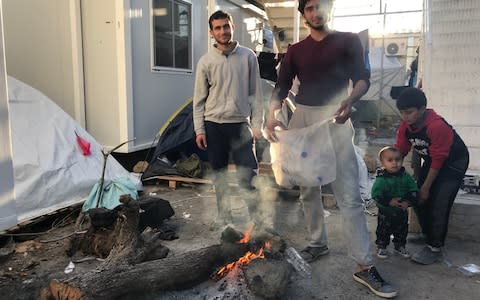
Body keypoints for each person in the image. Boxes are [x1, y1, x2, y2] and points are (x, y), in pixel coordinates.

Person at [263, 0, 398, 298]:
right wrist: (271, 116)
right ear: (303, 14)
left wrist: (350, 101)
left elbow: (363, 78)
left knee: (348, 195)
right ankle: (317, 243)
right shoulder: (296, 50)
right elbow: (281, 85)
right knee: (308, 188)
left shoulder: (348, 41)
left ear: (329, 8)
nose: (314, 12)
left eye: (319, 5)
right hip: (303, 120)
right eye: (308, 8)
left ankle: (363, 265)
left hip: (336, 117)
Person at [193, 10, 264, 229]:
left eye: (226, 26)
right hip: (214, 126)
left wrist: (257, 125)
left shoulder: (248, 57)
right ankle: (225, 218)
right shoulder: (205, 61)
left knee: (248, 176)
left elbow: (256, 95)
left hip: (241, 125)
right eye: (217, 28)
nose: (222, 31)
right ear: (211, 32)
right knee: (220, 176)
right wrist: (200, 130)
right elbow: (199, 99)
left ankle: (258, 220)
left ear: (232, 27)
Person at [394, 87, 469, 264]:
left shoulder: (437, 126)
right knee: (417, 197)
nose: (405, 117)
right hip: (432, 158)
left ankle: (435, 248)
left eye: (409, 112)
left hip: (453, 162)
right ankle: (428, 235)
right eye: (402, 112)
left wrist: (426, 187)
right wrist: (392, 173)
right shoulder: (406, 126)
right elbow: (401, 150)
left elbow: (439, 159)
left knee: (439, 203)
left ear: (421, 109)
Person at [371, 146, 418, 259]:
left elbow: (413, 189)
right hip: (385, 212)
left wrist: (408, 201)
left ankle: (399, 246)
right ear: (382, 162)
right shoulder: (381, 179)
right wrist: (388, 201)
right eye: (390, 160)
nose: (395, 163)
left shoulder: (406, 176)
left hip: (402, 211)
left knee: (402, 230)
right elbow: (376, 195)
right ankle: (382, 246)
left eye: (398, 159)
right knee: (383, 230)